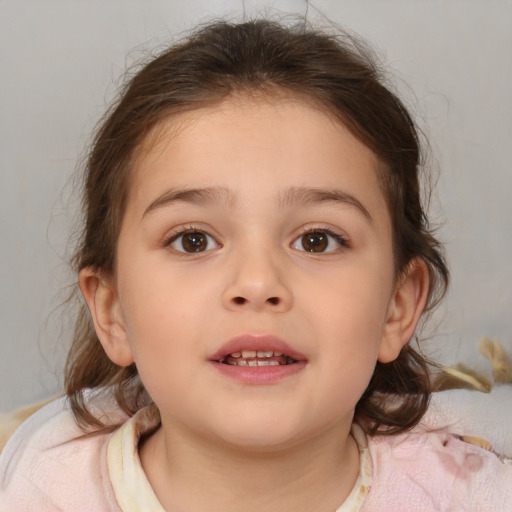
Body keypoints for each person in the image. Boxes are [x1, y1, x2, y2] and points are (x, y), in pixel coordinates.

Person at [0, 18, 510, 512]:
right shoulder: (43, 492)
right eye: (193, 241)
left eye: (316, 240)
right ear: (112, 311)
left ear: (398, 307)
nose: (258, 283)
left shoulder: (469, 497)